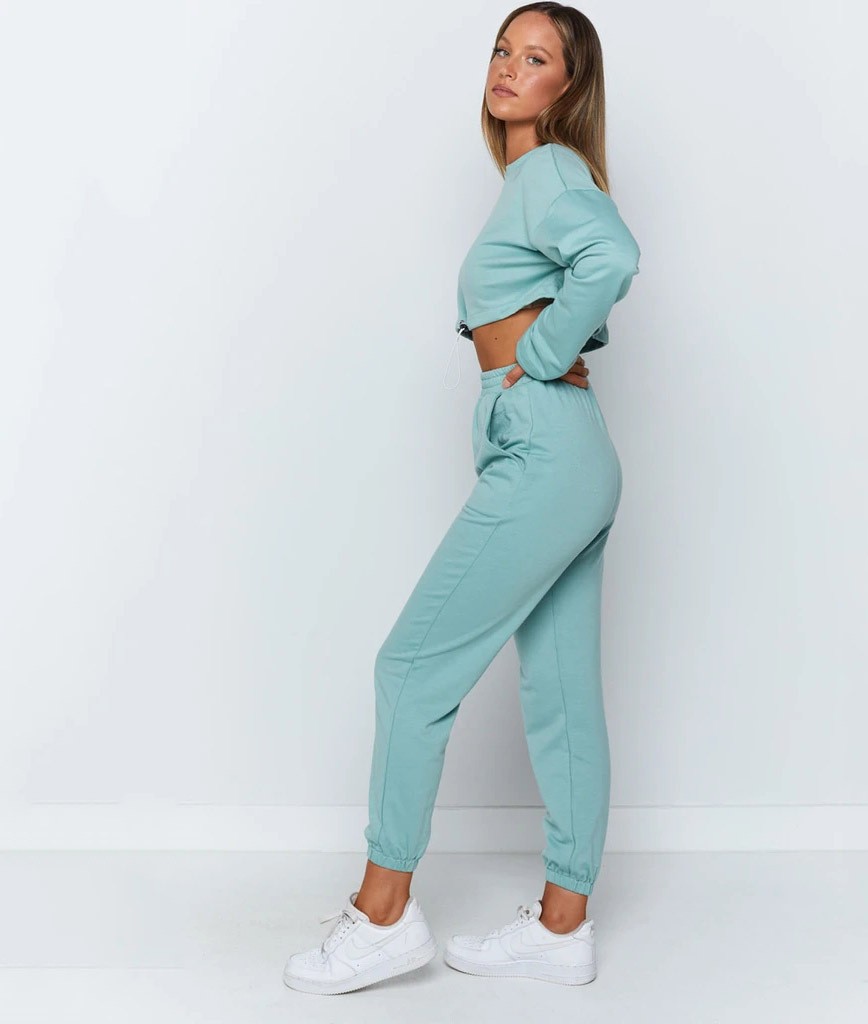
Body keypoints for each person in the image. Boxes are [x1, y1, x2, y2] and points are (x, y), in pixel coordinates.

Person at [283, 2, 641, 994]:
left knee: (410, 669)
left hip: (547, 451)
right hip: (569, 454)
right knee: (561, 695)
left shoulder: (551, 170)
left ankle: (382, 913)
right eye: (502, 49)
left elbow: (612, 257)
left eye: (536, 57)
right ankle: (562, 927)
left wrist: (541, 353)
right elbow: (585, 268)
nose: (509, 67)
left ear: (568, 86)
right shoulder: (528, 184)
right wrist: (547, 355)